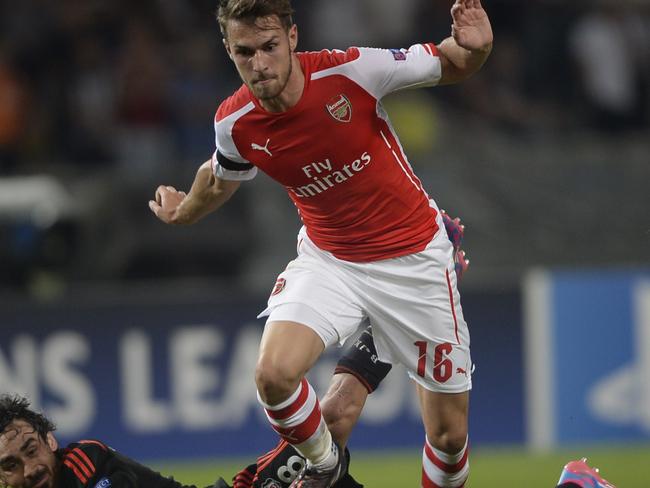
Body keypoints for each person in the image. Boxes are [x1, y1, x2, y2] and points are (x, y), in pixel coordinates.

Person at [149, 0, 493, 486]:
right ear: (229, 50)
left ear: (292, 37)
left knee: (449, 436)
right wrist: (183, 211)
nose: (260, 63)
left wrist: (476, 47)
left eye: (269, 47)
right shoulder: (235, 120)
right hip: (330, 261)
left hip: (414, 260)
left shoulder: (351, 71)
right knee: (272, 375)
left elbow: (452, 60)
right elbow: (221, 174)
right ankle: (326, 468)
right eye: (245, 52)